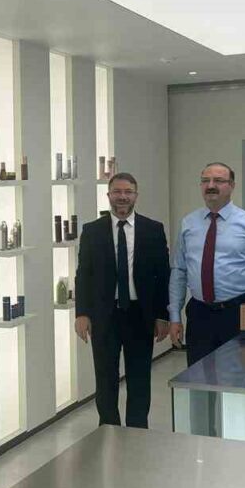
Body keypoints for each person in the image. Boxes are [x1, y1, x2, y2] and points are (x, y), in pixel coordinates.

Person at [74, 172, 170, 427]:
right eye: (117, 191)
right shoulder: (92, 231)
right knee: (105, 378)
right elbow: (83, 274)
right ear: (109, 195)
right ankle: (109, 430)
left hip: (140, 314)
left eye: (128, 192)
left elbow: (163, 275)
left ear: (136, 196)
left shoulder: (153, 229)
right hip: (105, 315)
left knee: (140, 378)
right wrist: (81, 313)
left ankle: (137, 431)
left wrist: (163, 315)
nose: (122, 197)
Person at [168, 162, 245, 363]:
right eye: (205, 181)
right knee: (199, 375)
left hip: (239, 312)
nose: (211, 185)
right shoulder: (188, 223)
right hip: (200, 314)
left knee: (241, 376)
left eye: (218, 180)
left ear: (232, 185)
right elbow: (179, 271)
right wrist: (174, 317)